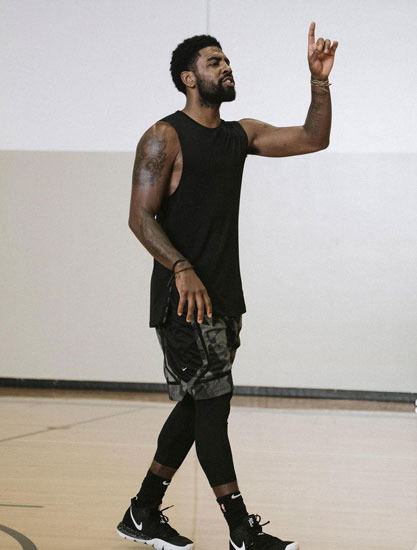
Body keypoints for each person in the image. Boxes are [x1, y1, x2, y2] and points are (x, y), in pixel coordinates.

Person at [117, 22, 338, 550]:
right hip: (183, 300)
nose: (226, 66)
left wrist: (319, 83)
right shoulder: (165, 136)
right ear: (188, 78)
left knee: (197, 406)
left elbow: (313, 138)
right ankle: (241, 530)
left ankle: (141, 513)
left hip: (223, 298)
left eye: (226, 59)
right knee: (214, 408)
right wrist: (181, 267)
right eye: (214, 61)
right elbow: (140, 218)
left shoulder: (241, 135)